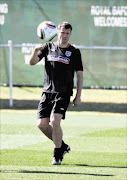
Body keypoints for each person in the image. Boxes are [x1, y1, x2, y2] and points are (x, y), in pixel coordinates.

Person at [29, 22, 83, 165]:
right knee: (41, 124)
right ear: (56, 32)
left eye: (67, 33)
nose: (64, 36)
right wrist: (35, 51)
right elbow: (32, 62)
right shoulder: (47, 47)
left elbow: (80, 76)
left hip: (63, 93)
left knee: (55, 120)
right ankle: (62, 146)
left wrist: (78, 95)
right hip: (47, 92)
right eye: (62, 33)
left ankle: (57, 154)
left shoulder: (75, 52)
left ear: (70, 34)